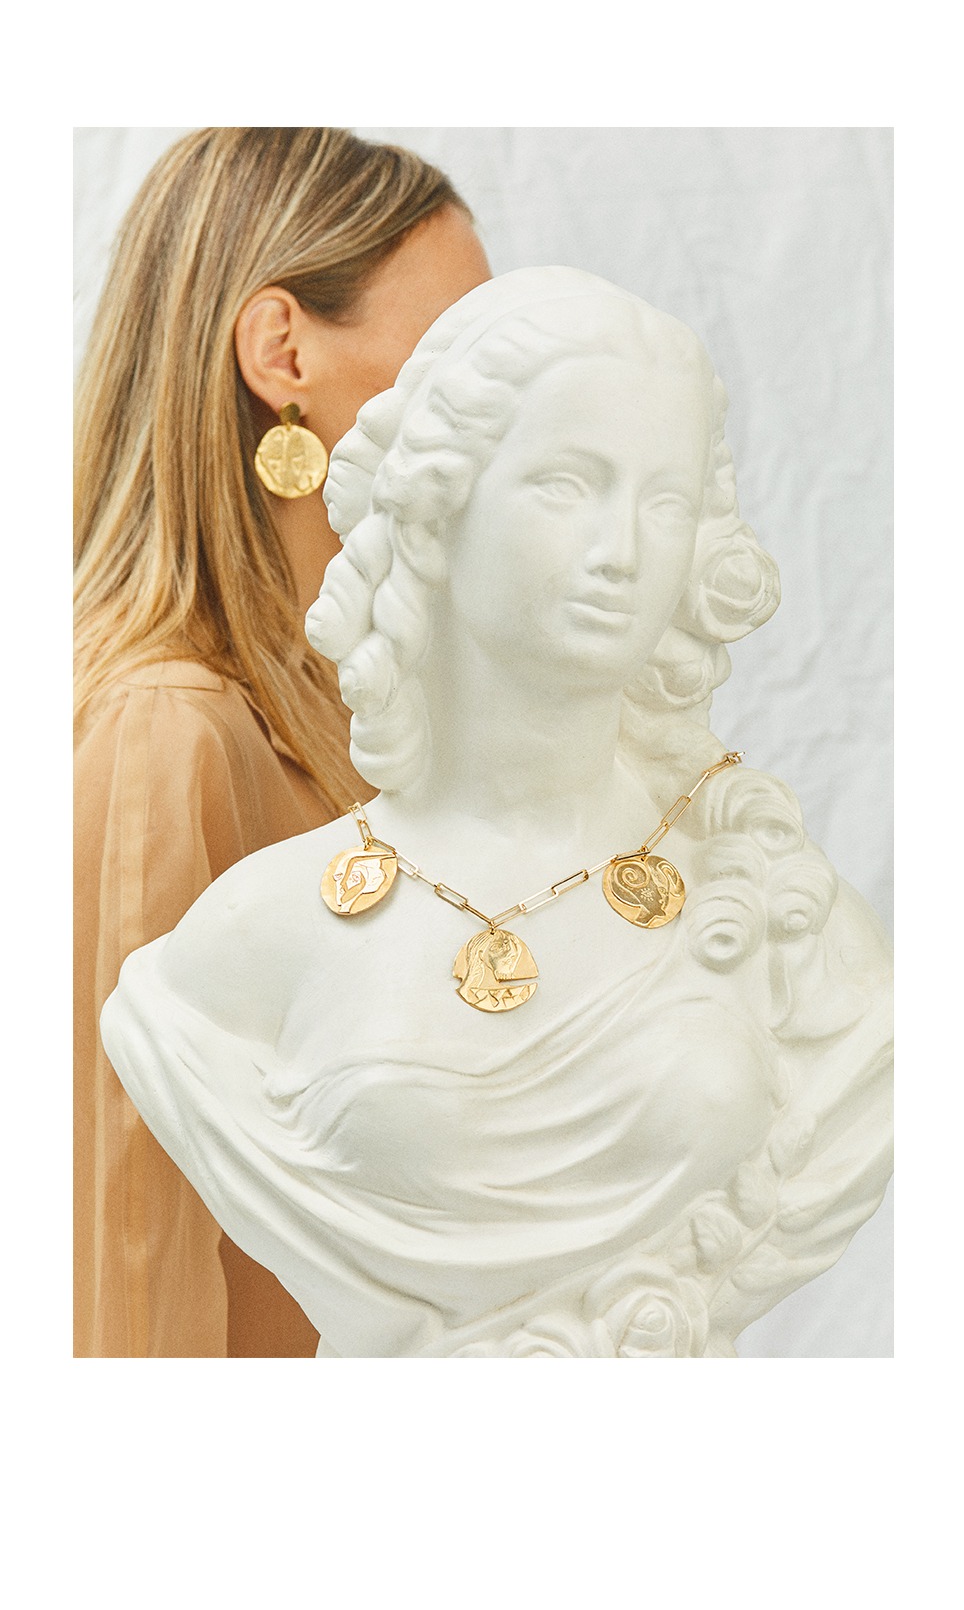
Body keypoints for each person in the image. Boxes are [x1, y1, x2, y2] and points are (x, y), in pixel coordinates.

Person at [101, 267, 893, 1358]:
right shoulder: (252, 937)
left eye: (664, 501)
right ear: (440, 510)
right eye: (567, 484)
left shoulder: (782, 915)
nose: (621, 551)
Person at [74, 126, 492, 1357]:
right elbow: (122, 1248)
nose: (502, 395)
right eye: (456, 345)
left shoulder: (352, 715)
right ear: (282, 354)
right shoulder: (168, 737)